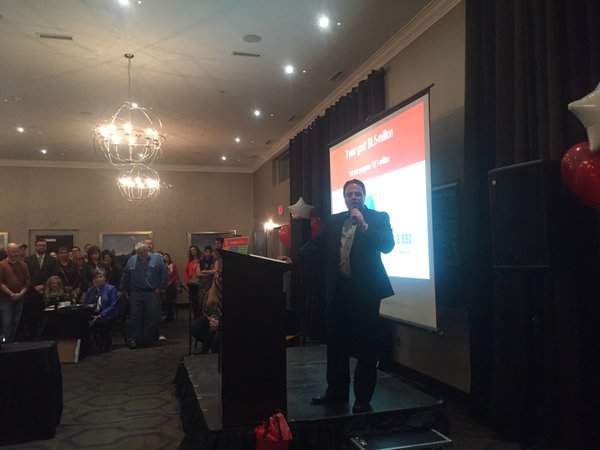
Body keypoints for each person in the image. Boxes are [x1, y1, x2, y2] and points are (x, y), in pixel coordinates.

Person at [281, 179, 395, 414]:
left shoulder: (378, 218)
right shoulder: (334, 221)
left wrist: (363, 225)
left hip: (365, 294)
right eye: (349, 194)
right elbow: (316, 245)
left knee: (366, 348)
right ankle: (336, 392)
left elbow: (387, 245)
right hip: (339, 291)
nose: (354, 197)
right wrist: (294, 260)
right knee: (336, 345)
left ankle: (363, 399)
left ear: (364, 196)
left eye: (358, 193)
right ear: (344, 198)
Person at [119, 241, 167, 349]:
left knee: (151, 316)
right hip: (136, 292)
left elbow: (164, 274)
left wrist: (161, 288)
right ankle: (134, 339)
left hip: (152, 293)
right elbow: (125, 275)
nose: (139, 255)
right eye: (137, 253)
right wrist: (121, 289)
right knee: (135, 316)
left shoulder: (157, 259)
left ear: (147, 250)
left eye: (141, 252)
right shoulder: (132, 260)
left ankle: (147, 339)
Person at [22, 239, 56, 339]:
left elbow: (53, 274)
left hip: (47, 291)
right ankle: (32, 337)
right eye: (39, 245)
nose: (42, 247)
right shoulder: (28, 259)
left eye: (44, 245)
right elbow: (26, 275)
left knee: (45, 316)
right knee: (32, 316)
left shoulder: (52, 260)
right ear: (35, 246)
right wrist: (35, 287)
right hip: (32, 292)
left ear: (46, 247)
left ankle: (44, 337)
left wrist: (44, 286)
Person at [0, 243, 31, 342]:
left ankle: (11, 343)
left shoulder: (23, 265)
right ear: (7, 252)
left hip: (19, 299)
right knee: (6, 323)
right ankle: (5, 345)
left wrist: (21, 294)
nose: (17, 253)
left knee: (16, 323)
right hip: (5, 299)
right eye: (14, 251)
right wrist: (11, 294)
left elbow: (27, 282)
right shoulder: (2, 265)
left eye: (17, 251)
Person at [83, 268, 118, 352]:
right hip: (94, 313)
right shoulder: (90, 290)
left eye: (101, 277)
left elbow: (113, 305)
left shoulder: (111, 289)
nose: (99, 279)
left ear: (105, 278)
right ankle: (88, 345)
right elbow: (86, 304)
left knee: (100, 322)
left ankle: (105, 343)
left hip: (108, 314)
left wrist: (100, 315)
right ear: (93, 279)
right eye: (96, 277)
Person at [184, 245, 201, 317]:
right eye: (191, 250)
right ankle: (195, 316)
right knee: (194, 301)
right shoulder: (189, 261)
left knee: (199, 300)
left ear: (197, 250)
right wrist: (187, 280)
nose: (193, 251)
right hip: (190, 282)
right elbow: (185, 271)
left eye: (194, 250)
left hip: (199, 282)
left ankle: (199, 316)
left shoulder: (201, 259)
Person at [163, 253, 179, 322]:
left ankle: (170, 316)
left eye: (167, 257)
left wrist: (170, 282)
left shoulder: (173, 266)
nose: (166, 258)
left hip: (171, 286)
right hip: (164, 285)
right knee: (165, 301)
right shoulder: (162, 266)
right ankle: (167, 315)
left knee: (169, 301)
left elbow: (175, 275)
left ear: (169, 258)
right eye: (164, 257)